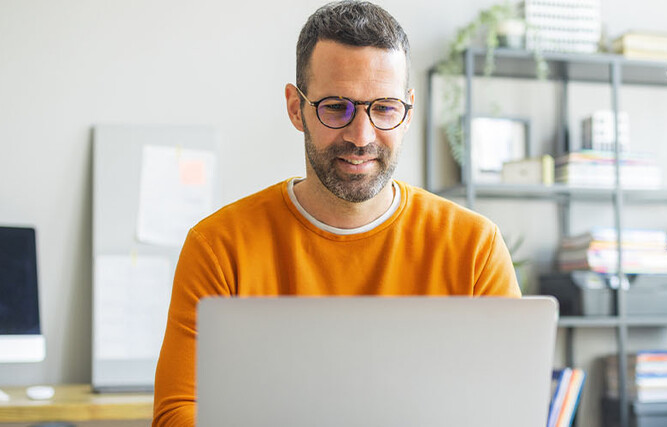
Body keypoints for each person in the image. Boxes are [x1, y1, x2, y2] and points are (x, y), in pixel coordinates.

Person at [152, 1, 520, 425]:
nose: (361, 137)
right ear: (296, 108)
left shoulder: (474, 247)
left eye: (383, 108)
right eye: (335, 106)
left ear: (407, 112)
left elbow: (507, 410)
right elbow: (178, 413)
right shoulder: (219, 247)